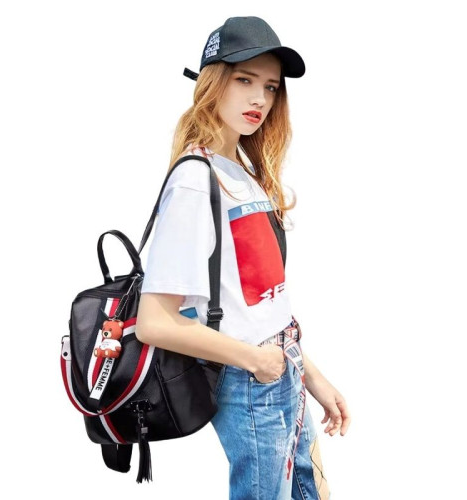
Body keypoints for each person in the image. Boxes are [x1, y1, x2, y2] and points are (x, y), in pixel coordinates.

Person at [136, 16, 351, 500]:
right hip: (250, 380)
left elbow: (259, 306)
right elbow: (154, 322)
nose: (260, 99)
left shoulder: (243, 172)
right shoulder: (196, 180)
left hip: (279, 366)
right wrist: (257, 361)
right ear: (213, 83)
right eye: (244, 80)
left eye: (270, 87)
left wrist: (312, 378)